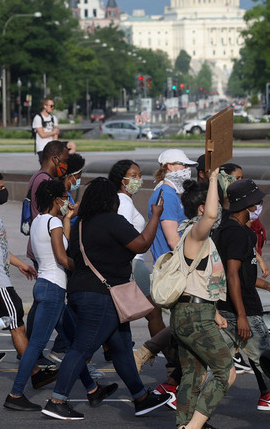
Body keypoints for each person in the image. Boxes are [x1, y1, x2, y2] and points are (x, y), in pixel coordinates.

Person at [42, 177, 173, 421]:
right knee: (81, 348)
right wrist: (156, 215)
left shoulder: (81, 224)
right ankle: (56, 401)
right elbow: (142, 244)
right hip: (103, 296)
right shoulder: (112, 221)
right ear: (109, 200)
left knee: (122, 347)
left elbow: (73, 256)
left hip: (83, 292)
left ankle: (141, 398)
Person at [7, 179, 110, 412]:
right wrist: (88, 268)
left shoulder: (39, 221)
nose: (68, 201)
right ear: (55, 200)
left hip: (47, 285)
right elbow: (63, 257)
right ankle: (15, 394)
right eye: (65, 198)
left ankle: (92, 389)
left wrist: (66, 219)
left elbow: (59, 243)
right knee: (36, 345)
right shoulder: (52, 222)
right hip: (53, 287)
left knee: (74, 344)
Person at [215, 178, 270, 423]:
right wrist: (242, 315)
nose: (259, 206)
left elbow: (243, 275)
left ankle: (195, 413)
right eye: (257, 202)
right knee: (268, 364)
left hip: (225, 310)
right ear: (247, 204)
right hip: (244, 313)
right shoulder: (239, 234)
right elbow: (231, 275)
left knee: (218, 369)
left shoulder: (224, 231)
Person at [0, 169, 45, 405]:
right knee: (17, 326)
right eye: (0, 188)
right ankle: (34, 374)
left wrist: (20, 264)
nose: (4, 191)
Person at [171, 173, 234, 429]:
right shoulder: (196, 233)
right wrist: (214, 178)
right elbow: (209, 216)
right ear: (201, 207)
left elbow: (200, 280)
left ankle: (183, 424)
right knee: (225, 372)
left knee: (193, 375)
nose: (218, 209)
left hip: (191, 311)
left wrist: (215, 311)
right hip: (194, 316)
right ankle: (194, 427)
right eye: (215, 203)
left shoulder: (191, 235)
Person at [109, 160, 167, 347]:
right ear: (121, 179)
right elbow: (122, 233)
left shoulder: (121, 200)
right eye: (133, 176)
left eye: (139, 176)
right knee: (154, 313)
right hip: (134, 262)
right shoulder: (124, 202)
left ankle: (114, 347)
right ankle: (169, 358)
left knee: (119, 317)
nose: (139, 180)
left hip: (131, 263)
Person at [149, 149, 196, 262]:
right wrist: (190, 262)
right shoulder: (167, 196)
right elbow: (173, 240)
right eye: (183, 165)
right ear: (169, 166)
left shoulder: (168, 193)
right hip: (171, 267)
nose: (187, 169)